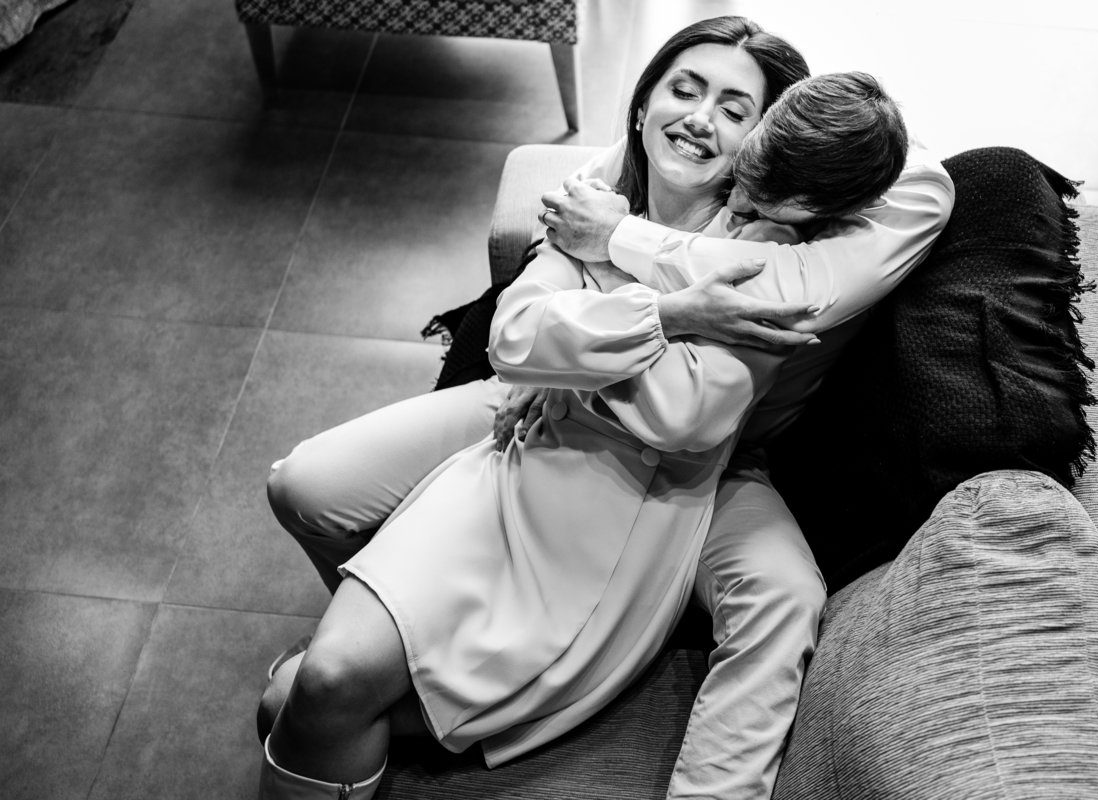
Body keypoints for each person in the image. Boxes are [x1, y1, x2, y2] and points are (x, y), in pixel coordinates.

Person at [261, 19, 954, 800]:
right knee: (304, 493)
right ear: (643, 101)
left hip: (705, 464)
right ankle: (375, 653)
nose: (701, 117)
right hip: (544, 420)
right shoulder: (600, 188)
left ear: (764, 135)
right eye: (683, 89)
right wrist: (649, 317)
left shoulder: (778, 239)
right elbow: (515, 337)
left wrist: (582, 327)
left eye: (734, 108)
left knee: (785, 595)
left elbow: (688, 415)